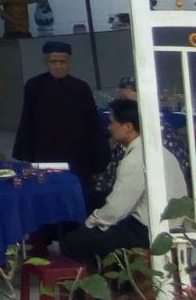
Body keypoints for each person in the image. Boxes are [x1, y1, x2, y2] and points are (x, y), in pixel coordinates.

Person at [61, 99, 186, 270]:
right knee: (99, 214)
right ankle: (114, 276)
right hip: (168, 222)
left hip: (148, 230)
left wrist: (90, 223)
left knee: (71, 241)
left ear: (127, 127)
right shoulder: (156, 150)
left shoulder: (136, 159)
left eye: (112, 122)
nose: (109, 127)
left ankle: (97, 290)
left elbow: (116, 210)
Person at [13, 40, 109, 194]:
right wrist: (25, 153)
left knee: (78, 188)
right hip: (44, 150)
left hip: (76, 151)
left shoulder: (80, 88)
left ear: (69, 62)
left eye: (62, 62)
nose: (58, 66)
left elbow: (92, 123)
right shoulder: (34, 86)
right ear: (46, 62)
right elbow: (27, 120)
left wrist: (99, 157)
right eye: (53, 62)